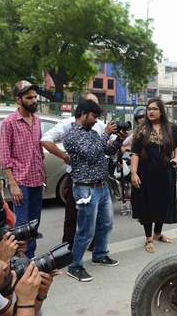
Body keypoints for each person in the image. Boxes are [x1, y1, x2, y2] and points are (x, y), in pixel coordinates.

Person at [63, 99, 125, 282]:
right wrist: (106, 134)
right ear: (83, 113)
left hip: (101, 185)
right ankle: (75, 266)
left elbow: (105, 151)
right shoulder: (72, 135)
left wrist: (119, 139)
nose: (96, 120)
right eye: (94, 116)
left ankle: (100, 254)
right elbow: (90, 154)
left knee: (106, 224)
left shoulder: (92, 133)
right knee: (85, 231)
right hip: (85, 189)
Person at [41, 93, 105, 250]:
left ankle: (92, 244)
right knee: (72, 214)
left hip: (96, 178)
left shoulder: (100, 125)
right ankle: (67, 246)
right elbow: (45, 139)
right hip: (76, 178)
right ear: (83, 109)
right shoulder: (68, 125)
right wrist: (63, 155)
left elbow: (107, 147)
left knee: (95, 214)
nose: (95, 112)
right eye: (92, 106)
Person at [0, 80, 45, 258]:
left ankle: (31, 258)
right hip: (21, 183)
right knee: (21, 227)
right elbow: (4, 156)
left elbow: (39, 149)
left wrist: (44, 174)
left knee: (34, 225)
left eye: (35, 97)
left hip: (37, 180)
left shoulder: (37, 119)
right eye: (29, 97)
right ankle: (20, 262)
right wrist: (13, 184)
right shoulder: (9, 123)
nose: (34, 100)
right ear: (19, 100)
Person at [131, 98, 177, 253]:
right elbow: (135, 152)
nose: (150, 111)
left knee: (162, 202)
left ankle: (158, 233)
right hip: (145, 172)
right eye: (148, 109)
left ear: (161, 111)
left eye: (154, 109)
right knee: (147, 204)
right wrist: (134, 173)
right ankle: (148, 239)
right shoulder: (141, 129)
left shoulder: (171, 128)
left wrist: (176, 158)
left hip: (165, 172)